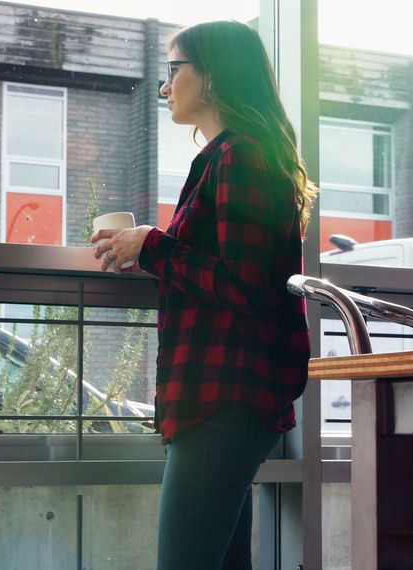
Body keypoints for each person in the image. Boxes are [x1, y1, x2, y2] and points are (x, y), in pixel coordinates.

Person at [90, 20, 316, 570]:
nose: (165, 87)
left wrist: (153, 246)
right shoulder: (237, 155)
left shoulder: (240, 156)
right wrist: (144, 247)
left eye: (174, 69)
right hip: (224, 399)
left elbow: (244, 284)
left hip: (224, 399)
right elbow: (230, 274)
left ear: (211, 76)